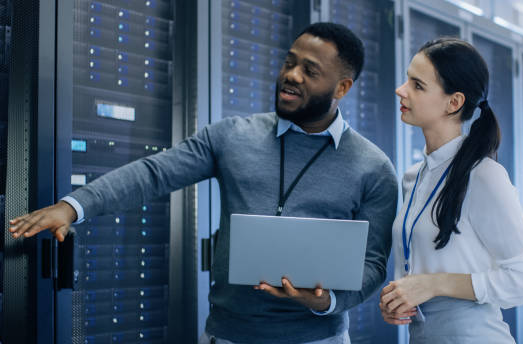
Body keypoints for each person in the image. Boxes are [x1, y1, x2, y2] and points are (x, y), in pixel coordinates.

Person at [9, 23, 398, 344]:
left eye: (309, 71)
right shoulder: (232, 136)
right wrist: (74, 206)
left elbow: (374, 263)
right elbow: (154, 173)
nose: (290, 76)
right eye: (289, 63)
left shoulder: (373, 167)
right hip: (228, 335)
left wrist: (326, 300)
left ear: (342, 88)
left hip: (318, 339)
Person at [379, 37, 523, 343]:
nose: (401, 90)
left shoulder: (484, 177)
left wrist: (435, 285)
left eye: (417, 85)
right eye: (407, 80)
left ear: (453, 102)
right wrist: (403, 298)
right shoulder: (413, 177)